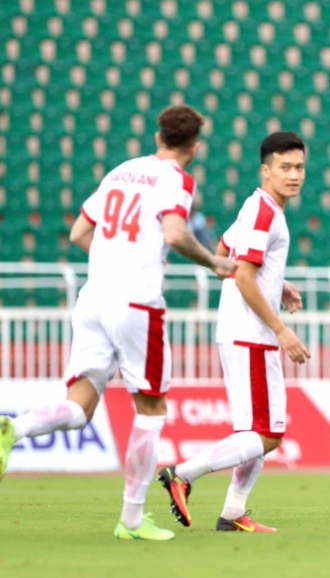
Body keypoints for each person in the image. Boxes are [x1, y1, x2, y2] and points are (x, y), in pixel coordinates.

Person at [0, 105, 235, 541]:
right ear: (195, 146)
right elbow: (175, 234)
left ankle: (16, 427)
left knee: (79, 409)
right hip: (136, 303)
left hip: (92, 299)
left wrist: (112, 261)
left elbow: (78, 233)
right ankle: (131, 520)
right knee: (150, 411)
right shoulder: (177, 180)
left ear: (157, 136)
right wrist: (214, 263)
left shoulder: (120, 172)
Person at [156, 132, 311, 533]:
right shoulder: (264, 214)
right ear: (266, 170)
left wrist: (277, 283)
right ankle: (183, 474)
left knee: (256, 432)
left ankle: (232, 515)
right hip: (251, 335)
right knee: (268, 435)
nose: (294, 175)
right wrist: (281, 330)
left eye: (299, 167)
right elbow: (242, 274)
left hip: (241, 331)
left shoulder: (255, 208)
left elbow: (224, 254)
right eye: (285, 167)